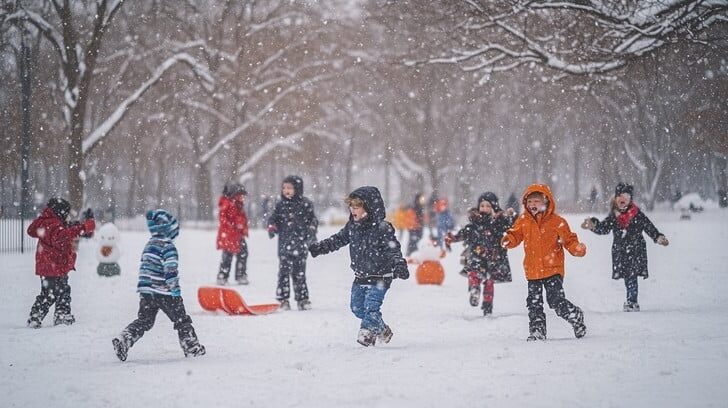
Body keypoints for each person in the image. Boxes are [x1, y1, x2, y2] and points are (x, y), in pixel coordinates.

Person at [308, 186, 409, 346]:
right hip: (360, 276)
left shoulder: (382, 228)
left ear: (368, 207)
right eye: (351, 206)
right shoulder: (352, 227)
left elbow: (393, 248)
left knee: (371, 308)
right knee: (357, 308)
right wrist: (320, 247)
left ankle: (366, 334)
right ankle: (382, 329)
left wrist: (399, 264)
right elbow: (337, 240)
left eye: (357, 206)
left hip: (381, 277)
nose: (352, 210)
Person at [112, 209, 205, 361]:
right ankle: (192, 347)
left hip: (147, 291)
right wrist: (174, 289)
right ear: (169, 230)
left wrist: (146, 288)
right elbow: (170, 269)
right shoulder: (168, 246)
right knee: (181, 320)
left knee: (144, 321)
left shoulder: (149, 244)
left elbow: (144, 266)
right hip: (165, 291)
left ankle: (124, 339)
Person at [501, 184, 587, 341]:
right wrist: (508, 240)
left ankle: (575, 315)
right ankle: (537, 331)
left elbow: (569, 240)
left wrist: (577, 249)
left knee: (555, 301)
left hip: (553, 269)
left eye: (537, 201)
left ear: (546, 202)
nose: (533, 205)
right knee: (534, 304)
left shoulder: (557, 222)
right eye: (530, 202)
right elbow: (515, 235)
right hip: (533, 271)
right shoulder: (523, 221)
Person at [581, 183, 669, 311]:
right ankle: (631, 300)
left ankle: (632, 301)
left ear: (630, 199)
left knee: (631, 276)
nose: (622, 199)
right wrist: (593, 225)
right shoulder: (614, 216)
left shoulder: (637, 215)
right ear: (615, 199)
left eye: (626, 196)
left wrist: (658, 237)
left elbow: (649, 227)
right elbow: (603, 228)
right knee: (628, 276)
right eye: (619, 196)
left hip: (636, 250)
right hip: (621, 251)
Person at [26, 198, 95, 328]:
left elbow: (62, 231)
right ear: (60, 211)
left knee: (61, 291)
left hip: (53, 265)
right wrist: (84, 227)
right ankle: (40, 317)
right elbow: (62, 236)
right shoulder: (52, 224)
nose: (67, 216)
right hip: (52, 265)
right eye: (66, 213)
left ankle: (61, 315)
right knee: (50, 293)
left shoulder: (48, 222)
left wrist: (81, 226)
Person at [445, 192, 514, 315]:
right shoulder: (475, 223)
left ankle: (487, 305)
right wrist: (453, 238)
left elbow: (511, 226)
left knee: (489, 280)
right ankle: (475, 290)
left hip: (494, 256)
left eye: (488, 206)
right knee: (473, 272)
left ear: (494, 207)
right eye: (482, 205)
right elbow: (465, 232)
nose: (485, 208)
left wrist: (509, 216)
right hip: (477, 254)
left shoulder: (499, 222)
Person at [267, 175, 318, 311]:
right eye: (284, 188)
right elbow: (273, 219)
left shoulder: (305, 204)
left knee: (299, 273)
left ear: (297, 189)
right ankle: (283, 299)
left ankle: (302, 299)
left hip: (300, 245)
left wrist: (311, 232)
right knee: (283, 273)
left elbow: (313, 220)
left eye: (289, 188)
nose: (286, 190)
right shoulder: (280, 205)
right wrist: (272, 226)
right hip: (284, 245)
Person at [216, 182, 250, 285]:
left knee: (242, 253)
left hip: (236, 235)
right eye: (241, 195)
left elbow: (242, 218)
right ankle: (223, 276)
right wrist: (235, 225)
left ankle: (239, 274)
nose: (243, 197)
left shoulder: (238, 205)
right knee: (228, 256)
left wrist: (243, 228)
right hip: (229, 235)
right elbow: (223, 218)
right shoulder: (228, 204)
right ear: (234, 195)